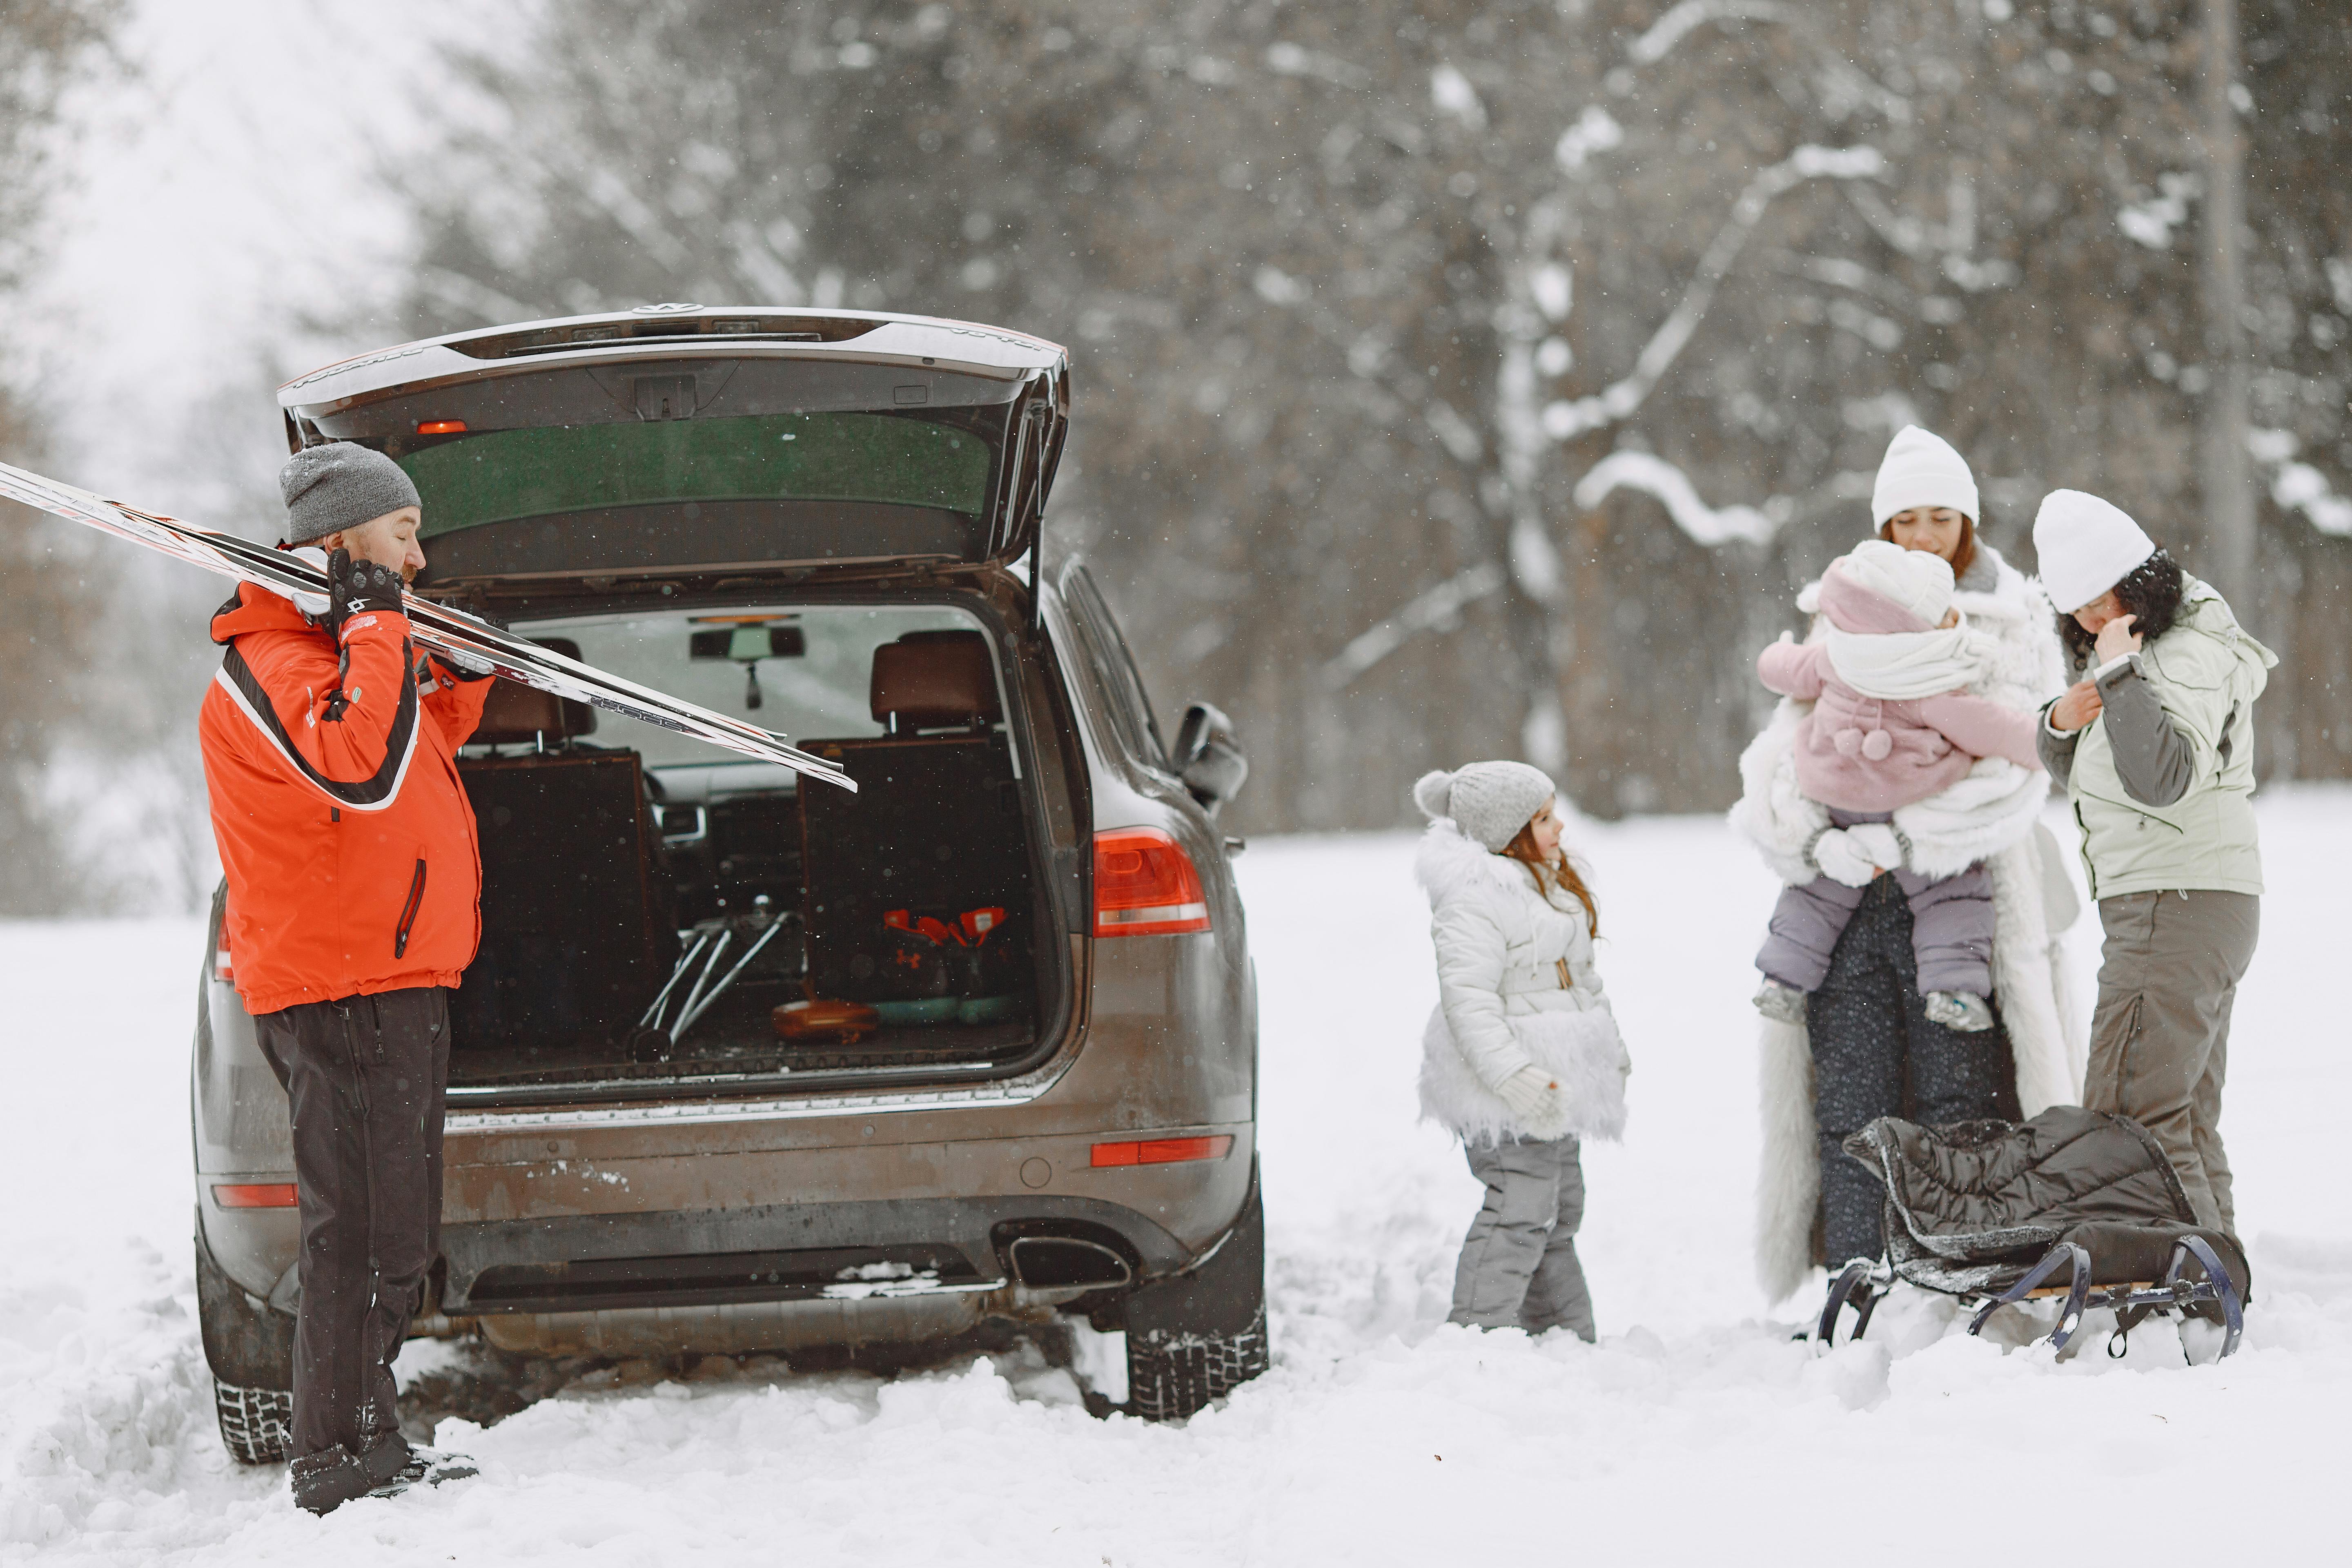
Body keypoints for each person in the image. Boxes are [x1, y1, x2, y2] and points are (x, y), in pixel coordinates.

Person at [199, 442, 494, 1514]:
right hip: (341, 985)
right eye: (403, 535)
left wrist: (450, 681)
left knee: (393, 1231)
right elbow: (359, 769)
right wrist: (378, 625)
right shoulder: (271, 664)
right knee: (362, 1232)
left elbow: (403, 748)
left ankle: (367, 1436)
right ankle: (337, 1456)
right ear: (344, 543)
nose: (418, 560)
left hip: (387, 971)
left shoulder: (329, 656)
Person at [1731, 427, 2083, 1303]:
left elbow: (2019, 761)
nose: (1924, 535)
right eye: (1907, 520)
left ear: (1967, 523)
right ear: (1884, 526)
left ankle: (1958, 1281)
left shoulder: (2013, 618)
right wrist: (1823, 842)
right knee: (1850, 1105)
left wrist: (1915, 834)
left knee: (1959, 1107)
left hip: (1968, 901)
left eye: (1941, 518)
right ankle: (1860, 1283)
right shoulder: (1844, 608)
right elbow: (1785, 757)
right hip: (1844, 904)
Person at [2032, 490, 2274, 1237]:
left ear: (2139, 584)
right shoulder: (2141, 660)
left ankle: (2187, 1290)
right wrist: (2059, 723)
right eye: (2075, 611)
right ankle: (2212, 1288)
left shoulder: (2185, 656)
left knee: (2131, 1115)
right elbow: (2103, 781)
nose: (2090, 623)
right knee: (2181, 1116)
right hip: (2184, 900)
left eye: (2101, 601)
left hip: (2177, 902)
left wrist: (2117, 678)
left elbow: (2164, 781)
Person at [1752, 539, 2045, 1034]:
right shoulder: (1930, 681)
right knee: (1951, 889)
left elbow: (1780, 669)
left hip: (1837, 799)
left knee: (1815, 893)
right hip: (1912, 802)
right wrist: (2046, 742)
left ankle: (1783, 980)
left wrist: (1775, 652)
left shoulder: (1835, 657)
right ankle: (1953, 990)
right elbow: (1992, 726)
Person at [1411, 762, 1630, 1341]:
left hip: (1556, 1085)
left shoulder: (1550, 887)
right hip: (1504, 1088)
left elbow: (1582, 983)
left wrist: (1609, 1050)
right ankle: (1475, 1341)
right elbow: (1469, 1003)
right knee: (1520, 1209)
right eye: (1543, 818)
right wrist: (1515, 1079)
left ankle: (1563, 1340)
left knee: (1558, 1212)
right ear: (1507, 831)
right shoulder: (1476, 899)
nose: (1560, 827)